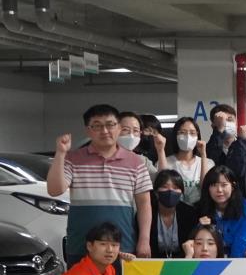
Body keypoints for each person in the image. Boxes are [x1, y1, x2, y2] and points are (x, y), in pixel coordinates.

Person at [47, 104, 152, 265]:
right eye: (97, 126)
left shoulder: (136, 162)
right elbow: (54, 190)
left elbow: (144, 204)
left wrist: (144, 239)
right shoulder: (73, 159)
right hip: (81, 245)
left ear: (118, 128)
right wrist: (61, 153)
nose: (104, 131)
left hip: (122, 246)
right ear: (88, 131)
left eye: (110, 125)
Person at [197, 165, 246, 259]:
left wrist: (229, 266)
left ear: (233, 186)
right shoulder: (201, 208)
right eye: (214, 185)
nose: (219, 190)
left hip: (244, 259)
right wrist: (200, 227)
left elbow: (241, 246)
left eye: (224, 185)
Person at [157, 116, 214, 206]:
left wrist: (203, 155)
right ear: (175, 136)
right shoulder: (165, 162)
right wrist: (160, 150)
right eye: (182, 132)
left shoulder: (208, 163)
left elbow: (206, 187)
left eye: (192, 133)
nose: (188, 136)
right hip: (175, 210)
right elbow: (161, 184)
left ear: (197, 136)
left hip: (200, 209)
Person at [149, 169, 198, 258]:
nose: (170, 191)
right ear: (156, 192)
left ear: (181, 193)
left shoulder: (190, 214)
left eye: (175, 188)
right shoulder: (147, 213)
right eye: (165, 187)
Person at [117, 111, 158, 179]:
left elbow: (161, 181)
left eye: (135, 130)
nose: (131, 135)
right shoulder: (105, 159)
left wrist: (160, 150)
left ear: (140, 134)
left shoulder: (143, 161)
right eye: (125, 129)